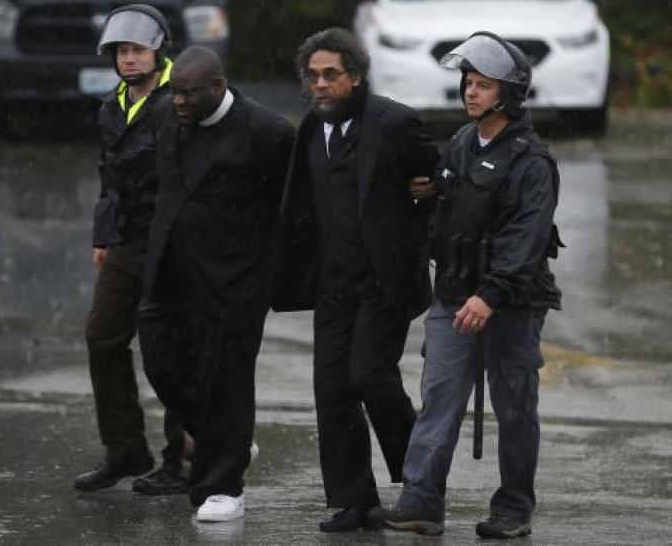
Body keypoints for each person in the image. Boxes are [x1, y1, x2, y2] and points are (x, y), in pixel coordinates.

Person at [381, 32, 564, 539]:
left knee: (514, 408)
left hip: (511, 303)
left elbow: (526, 239)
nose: (471, 92)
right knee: (438, 396)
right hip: (456, 291)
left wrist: (492, 295)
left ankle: (513, 509)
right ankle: (420, 503)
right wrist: (431, 188)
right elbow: (452, 196)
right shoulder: (463, 142)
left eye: (483, 85)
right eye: (468, 82)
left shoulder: (532, 161)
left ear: (507, 93)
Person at [272, 27, 438, 533]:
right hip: (333, 284)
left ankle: (422, 485)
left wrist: (424, 210)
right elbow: (299, 204)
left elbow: (441, 177)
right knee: (332, 388)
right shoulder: (310, 130)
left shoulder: (392, 122)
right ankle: (354, 500)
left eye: (331, 75)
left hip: (384, 281)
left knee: (370, 377)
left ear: (356, 77)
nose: (320, 85)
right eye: (313, 76)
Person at [137, 46, 294, 522]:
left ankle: (222, 486)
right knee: (162, 365)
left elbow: (289, 209)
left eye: (187, 94)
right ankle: (229, 442)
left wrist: (268, 274)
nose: (178, 101)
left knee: (226, 382)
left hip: (234, 282)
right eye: (174, 92)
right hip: (170, 272)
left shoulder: (267, 131)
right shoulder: (165, 114)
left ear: (217, 87)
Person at [74, 4, 191, 496]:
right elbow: (110, 177)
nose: (128, 59)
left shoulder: (182, 100)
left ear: (157, 49)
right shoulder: (112, 107)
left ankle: (183, 462)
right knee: (102, 337)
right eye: (121, 51)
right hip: (126, 244)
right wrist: (104, 237)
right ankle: (124, 450)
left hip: (171, 247)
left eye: (136, 49)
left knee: (169, 354)